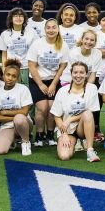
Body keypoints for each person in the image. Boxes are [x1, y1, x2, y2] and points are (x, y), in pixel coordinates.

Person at [28, 19, 68, 147]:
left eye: (54, 27)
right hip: (37, 80)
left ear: (58, 29)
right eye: (48, 28)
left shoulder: (63, 45)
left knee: (52, 108)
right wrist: (40, 84)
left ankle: (50, 134)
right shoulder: (37, 44)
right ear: (45, 30)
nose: (51, 30)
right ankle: (39, 135)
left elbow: (62, 66)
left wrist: (53, 84)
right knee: (42, 108)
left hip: (53, 80)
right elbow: (32, 66)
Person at [51, 62, 102, 162]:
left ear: (86, 74)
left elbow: (91, 111)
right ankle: (75, 144)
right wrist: (64, 135)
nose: (78, 75)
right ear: (71, 74)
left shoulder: (92, 88)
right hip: (68, 129)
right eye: (75, 72)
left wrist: (70, 119)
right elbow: (56, 116)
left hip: (83, 127)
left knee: (87, 114)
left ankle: (90, 150)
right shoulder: (62, 91)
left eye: (81, 72)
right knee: (64, 156)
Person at [0, 60, 35, 156]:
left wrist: (5, 112)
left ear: (17, 78)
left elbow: (25, 112)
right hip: (7, 125)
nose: (10, 78)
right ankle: (14, 139)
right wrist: (12, 119)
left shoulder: (23, 89)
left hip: (24, 122)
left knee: (19, 119)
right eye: (8, 75)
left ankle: (26, 141)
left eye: (13, 76)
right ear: (3, 75)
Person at [0, 7, 34, 81]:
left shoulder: (32, 33)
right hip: (11, 69)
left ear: (24, 19)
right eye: (15, 16)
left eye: (21, 16)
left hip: (28, 68)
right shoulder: (5, 34)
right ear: (11, 19)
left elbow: (35, 52)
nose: (18, 18)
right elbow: (4, 55)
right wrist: (4, 70)